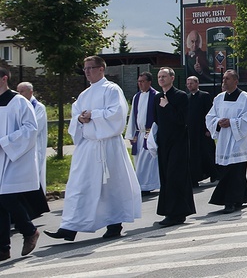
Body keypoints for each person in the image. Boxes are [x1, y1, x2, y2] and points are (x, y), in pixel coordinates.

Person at [45, 56, 141, 241]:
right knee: (79, 186)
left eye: (90, 68)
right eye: (85, 69)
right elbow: (76, 116)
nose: (87, 71)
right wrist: (80, 119)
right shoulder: (84, 94)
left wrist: (93, 114)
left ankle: (114, 224)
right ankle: (70, 226)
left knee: (110, 187)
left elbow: (118, 114)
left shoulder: (112, 89)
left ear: (101, 69)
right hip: (88, 147)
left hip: (108, 146)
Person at [0, 68, 41, 260]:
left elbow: (31, 129)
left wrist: (5, 142)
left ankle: (29, 231)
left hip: (13, 158)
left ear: (4, 79)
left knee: (7, 198)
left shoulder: (19, 102)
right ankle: (3, 248)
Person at [206, 70, 247, 213]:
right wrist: (218, 122)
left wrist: (232, 123)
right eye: (223, 78)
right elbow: (210, 117)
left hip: (238, 142)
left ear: (235, 81)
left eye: (227, 79)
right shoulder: (219, 98)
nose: (224, 81)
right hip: (223, 140)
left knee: (235, 171)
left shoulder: (245, 98)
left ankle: (229, 201)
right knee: (229, 171)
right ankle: (241, 197)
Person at [154, 67, 195, 226]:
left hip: (178, 142)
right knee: (165, 176)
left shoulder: (180, 96)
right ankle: (168, 211)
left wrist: (168, 106)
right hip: (163, 142)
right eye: (159, 77)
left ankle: (177, 213)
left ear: (172, 78)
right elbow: (156, 120)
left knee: (175, 176)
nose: (161, 79)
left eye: (164, 76)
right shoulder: (157, 97)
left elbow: (183, 120)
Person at [125, 72, 160, 194]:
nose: (140, 84)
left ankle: (146, 185)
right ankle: (141, 184)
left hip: (150, 133)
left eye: (143, 81)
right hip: (139, 134)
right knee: (138, 159)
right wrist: (131, 134)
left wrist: (154, 133)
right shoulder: (136, 97)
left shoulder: (156, 96)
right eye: (139, 81)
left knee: (147, 161)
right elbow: (133, 115)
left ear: (149, 82)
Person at [186, 75, 217, 186]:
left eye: (192, 83)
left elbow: (209, 114)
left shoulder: (204, 96)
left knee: (207, 153)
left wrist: (209, 129)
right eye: (188, 84)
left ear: (197, 84)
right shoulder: (187, 97)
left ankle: (214, 175)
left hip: (203, 132)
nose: (189, 86)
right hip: (192, 132)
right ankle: (195, 177)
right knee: (193, 155)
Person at [16, 82, 47, 193]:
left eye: (22, 91)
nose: (19, 94)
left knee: (35, 174)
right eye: (18, 91)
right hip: (22, 145)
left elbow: (35, 128)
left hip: (35, 145)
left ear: (31, 92)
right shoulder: (19, 106)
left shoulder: (38, 107)